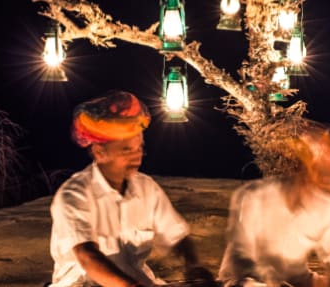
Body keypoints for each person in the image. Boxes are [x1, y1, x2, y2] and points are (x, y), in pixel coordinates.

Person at [48, 90, 213, 287]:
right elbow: (87, 257)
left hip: (137, 280)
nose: (137, 156)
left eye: (140, 148)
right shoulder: (74, 195)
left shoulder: (146, 188)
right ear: (99, 152)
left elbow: (176, 236)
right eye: (126, 149)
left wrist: (193, 266)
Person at [218, 123, 330, 287]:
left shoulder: (326, 206)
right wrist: (274, 282)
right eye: (325, 171)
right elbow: (242, 258)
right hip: (247, 280)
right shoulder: (253, 196)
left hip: (298, 281)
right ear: (308, 169)